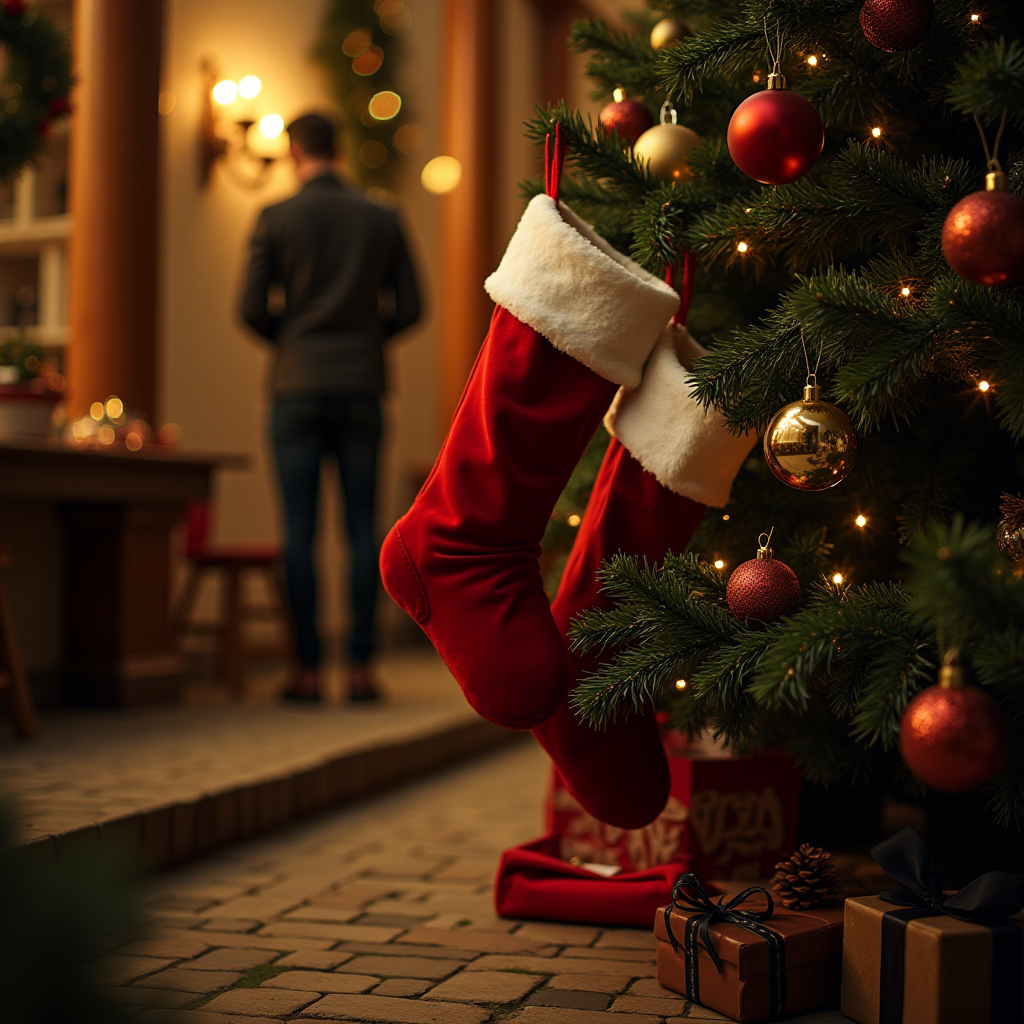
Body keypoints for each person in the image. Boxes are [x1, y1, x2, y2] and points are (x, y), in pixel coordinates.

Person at [241, 112, 421, 702]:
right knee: (362, 527)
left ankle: (308, 671)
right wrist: (366, 338)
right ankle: (364, 669)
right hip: (363, 384)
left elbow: (250, 307)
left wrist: (292, 339)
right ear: (337, 147)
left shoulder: (275, 217)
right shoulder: (381, 215)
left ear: (294, 151)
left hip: (295, 386)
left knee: (298, 528)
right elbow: (414, 305)